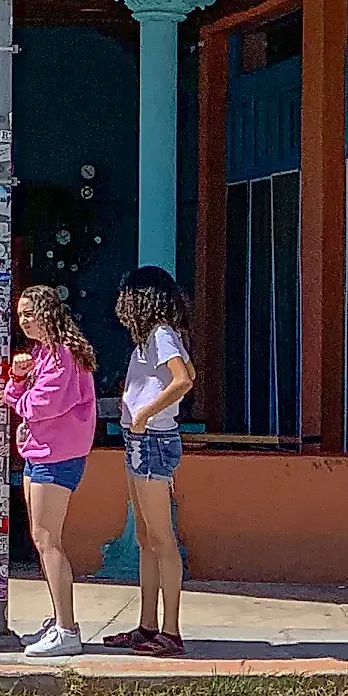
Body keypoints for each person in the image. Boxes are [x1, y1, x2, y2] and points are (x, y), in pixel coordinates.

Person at [0, 283, 99, 658]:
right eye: (20, 314)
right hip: (39, 453)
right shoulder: (42, 354)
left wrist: (19, 392)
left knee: (47, 540)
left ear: (47, 313)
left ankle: (66, 629)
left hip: (57, 456)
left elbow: (42, 404)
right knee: (42, 539)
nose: (23, 320)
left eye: (29, 313)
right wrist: (19, 381)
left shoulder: (63, 356)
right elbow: (20, 398)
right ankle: (60, 617)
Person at [105, 266, 196, 657]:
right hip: (138, 439)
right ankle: (147, 624)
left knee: (161, 538)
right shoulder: (147, 340)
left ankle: (170, 630)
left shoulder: (161, 334)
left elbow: (184, 378)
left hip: (153, 440)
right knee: (144, 537)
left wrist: (144, 414)